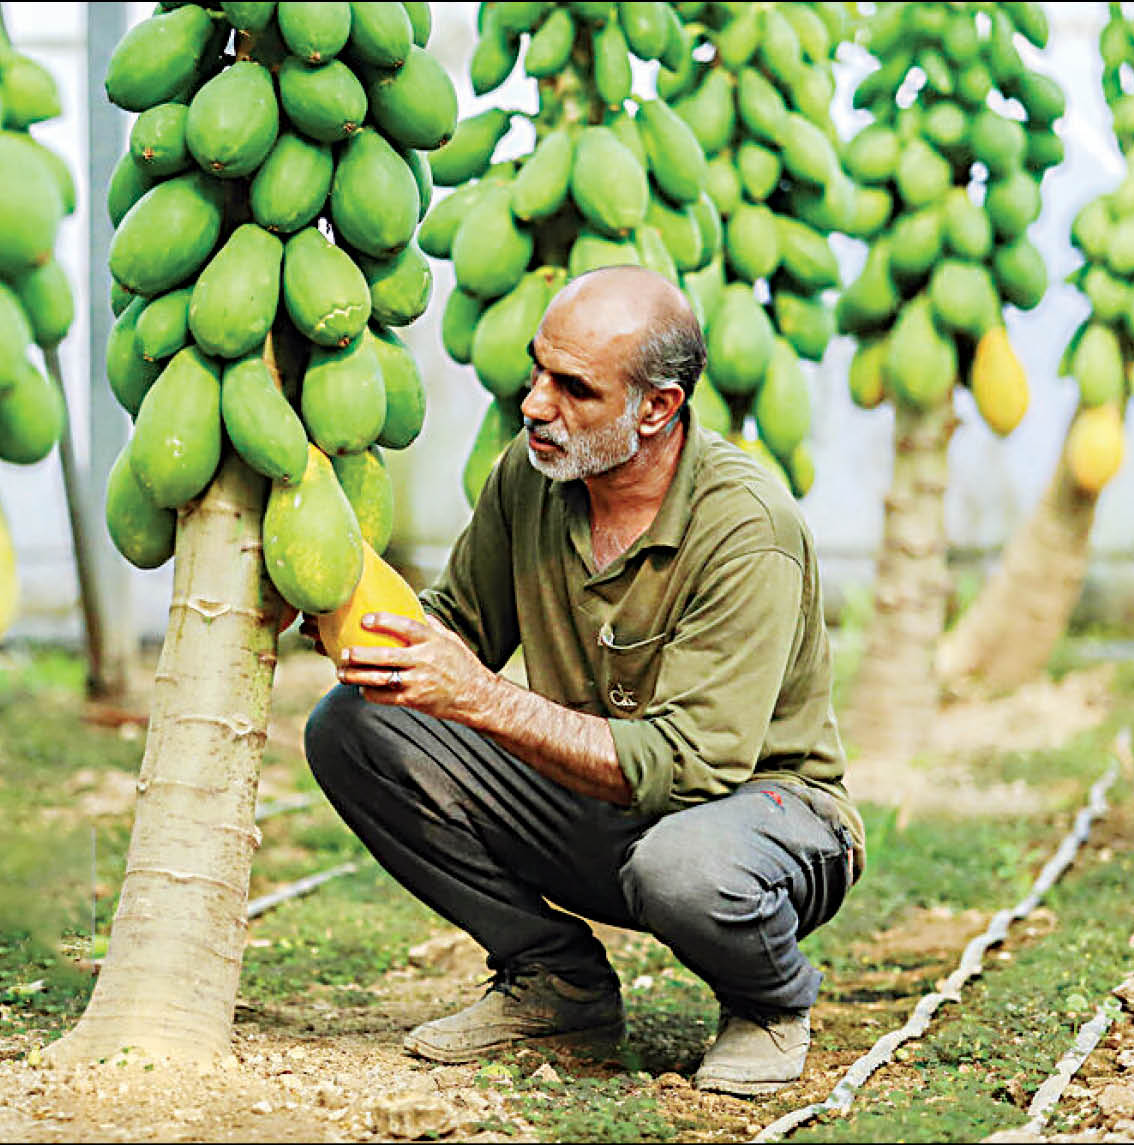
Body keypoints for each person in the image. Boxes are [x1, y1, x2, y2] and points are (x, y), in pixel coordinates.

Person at [300, 265, 864, 1097]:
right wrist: (335, 595)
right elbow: (456, 627)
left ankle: (768, 1001)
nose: (534, 403)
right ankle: (554, 978)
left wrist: (485, 699)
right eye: (537, 371)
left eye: (573, 388)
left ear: (658, 408)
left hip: (758, 819)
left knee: (683, 865)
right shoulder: (532, 478)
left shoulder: (748, 527)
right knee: (355, 724)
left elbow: (694, 765)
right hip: (597, 800)